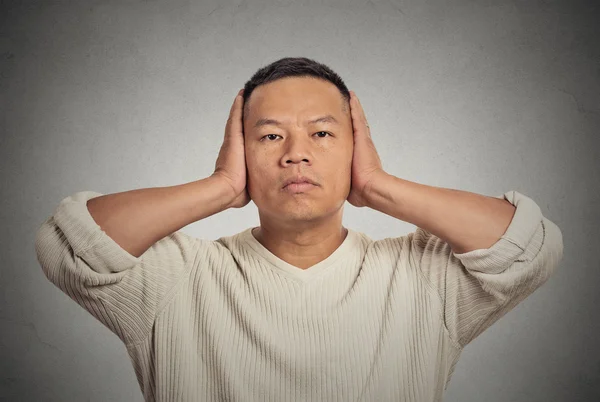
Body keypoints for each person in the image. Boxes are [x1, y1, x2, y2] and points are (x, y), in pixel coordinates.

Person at [34, 57, 564, 402]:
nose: (297, 154)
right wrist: (220, 186)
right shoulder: (179, 276)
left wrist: (377, 185)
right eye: (269, 137)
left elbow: (528, 249)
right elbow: (71, 244)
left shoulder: (422, 277)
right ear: (241, 151)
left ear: (357, 145)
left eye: (323, 132)